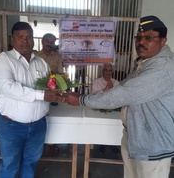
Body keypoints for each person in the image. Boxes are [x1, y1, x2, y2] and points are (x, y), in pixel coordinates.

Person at [63, 15, 174, 178]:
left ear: (163, 41)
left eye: (148, 37)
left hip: (152, 144)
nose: (141, 42)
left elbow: (123, 93)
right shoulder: (144, 62)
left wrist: (81, 100)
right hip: (135, 136)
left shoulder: (162, 67)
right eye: (139, 37)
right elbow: (123, 88)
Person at [0, 22, 63, 178]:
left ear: (33, 40)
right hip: (12, 126)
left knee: (30, 162)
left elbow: (49, 86)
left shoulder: (41, 63)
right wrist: (42, 95)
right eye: (20, 37)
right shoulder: (3, 60)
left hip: (38, 125)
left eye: (28, 37)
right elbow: (9, 88)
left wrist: (58, 91)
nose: (25, 41)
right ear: (13, 40)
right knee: (10, 165)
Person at [92, 63, 120, 154]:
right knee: (102, 126)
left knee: (112, 126)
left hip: (113, 108)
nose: (108, 72)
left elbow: (119, 97)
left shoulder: (116, 83)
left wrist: (111, 90)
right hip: (100, 108)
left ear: (112, 72)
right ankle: (102, 144)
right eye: (106, 70)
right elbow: (93, 96)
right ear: (102, 71)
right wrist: (104, 90)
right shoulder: (97, 82)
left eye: (110, 70)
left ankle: (112, 144)